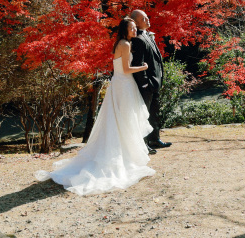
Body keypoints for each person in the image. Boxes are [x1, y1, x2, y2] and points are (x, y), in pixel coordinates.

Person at [34, 17, 155, 195]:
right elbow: (126, 69)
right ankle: (125, 157)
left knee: (121, 120)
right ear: (125, 30)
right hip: (124, 84)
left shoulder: (120, 43)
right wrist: (143, 67)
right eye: (132, 28)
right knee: (125, 120)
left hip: (120, 84)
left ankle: (125, 154)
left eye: (135, 28)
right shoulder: (126, 44)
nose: (135, 31)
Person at [130, 9, 172, 152]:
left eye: (147, 17)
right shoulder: (137, 39)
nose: (148, 20)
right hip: (147, 84)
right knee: (144, 114)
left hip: (155, 81)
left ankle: (155, 139)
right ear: (135, 22)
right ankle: (144, 144)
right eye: (144, 19)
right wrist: (144, 83)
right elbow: (138, 63)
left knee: (154, 113)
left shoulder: (147, 36)